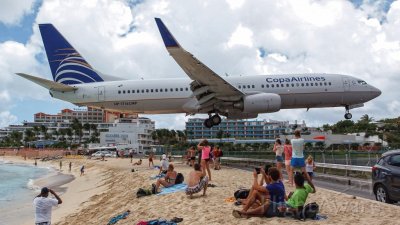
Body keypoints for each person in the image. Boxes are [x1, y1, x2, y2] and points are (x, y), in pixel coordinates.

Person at [233, 172, 315, 219]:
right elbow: (313, 190)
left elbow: (299, 209)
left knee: (268, 204)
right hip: (284, 204)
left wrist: (285, 209)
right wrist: (308, 180)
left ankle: (246, 213)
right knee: (265, 205)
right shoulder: (306, 187)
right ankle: (245, 212)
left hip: (286, 208)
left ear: (295, 182)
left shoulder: (299, 193)